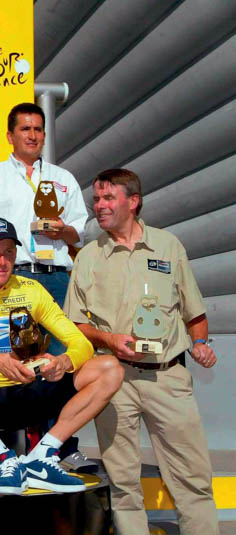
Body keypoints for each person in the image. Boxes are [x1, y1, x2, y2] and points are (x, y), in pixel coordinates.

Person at [64, 169, 219, 535]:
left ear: (133, 201)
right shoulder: (88, 257)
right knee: (123, 483)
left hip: (169, 378)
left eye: (107, 199)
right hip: (114, 379)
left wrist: (200, 344)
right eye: (96, 201)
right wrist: (109, 340)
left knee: (193, 480)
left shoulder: (169, 246)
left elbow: (193, 311)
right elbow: (74, 325)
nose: (98, 207)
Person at [0, 216, 123, 496]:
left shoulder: (30, 289)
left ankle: (43, 455)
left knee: (110, 368)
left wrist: (63, 362)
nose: (2, 261)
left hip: (26, 390)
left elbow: (80, 342)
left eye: (8, 252)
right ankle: (5, 460)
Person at [0, 102, 87, 354]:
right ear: (10, 136)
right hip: (13, 277)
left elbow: (79, 234)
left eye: (38, 129)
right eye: (25, 129)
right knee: (15, 354)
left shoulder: (63, 178)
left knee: (60, 355)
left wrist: (62, 231)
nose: (32, 136)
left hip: (56, 278)